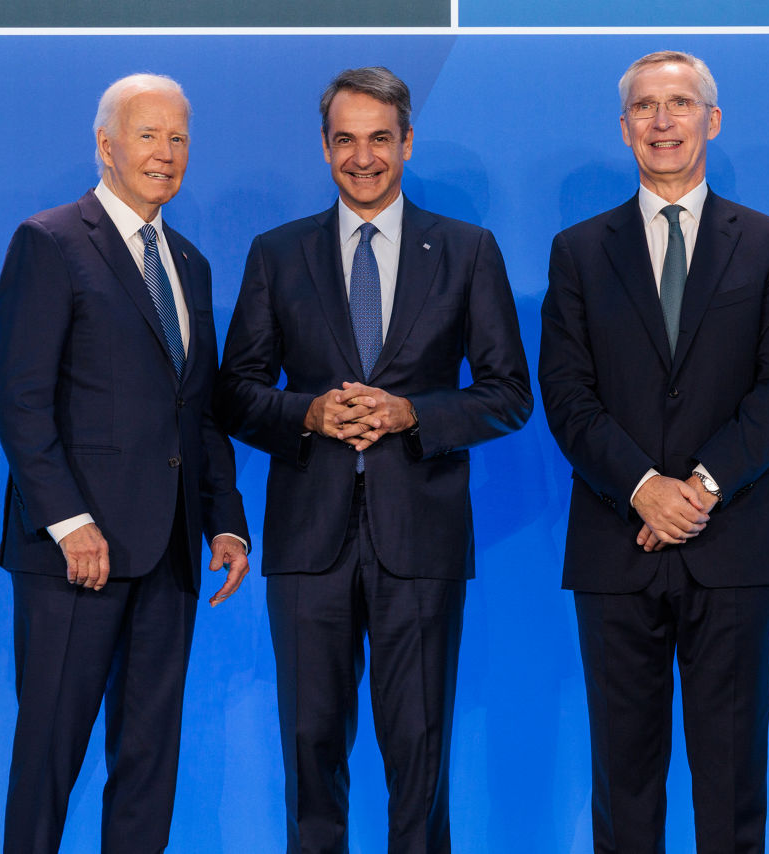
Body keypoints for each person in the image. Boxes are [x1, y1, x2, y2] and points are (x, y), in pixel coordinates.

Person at [217, 66, 531, 853]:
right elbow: (235, 393)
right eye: (347, 140)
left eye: (380, 139)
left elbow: (508, 394)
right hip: (308, 542)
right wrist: (311, 413)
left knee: (419, 755)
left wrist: (412, 412)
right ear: (325, 149)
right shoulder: (276, 254)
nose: (364, 157)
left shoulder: (466, 251)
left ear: (407, 143)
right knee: (309, 750)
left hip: (419, 538)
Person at [539, 51, 769, 853]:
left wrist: (696, 488)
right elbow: (567, 396)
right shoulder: (579, 251)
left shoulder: (768, 244)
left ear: (711, 121)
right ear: (625, 129)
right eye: (647, 108)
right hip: (615, 547)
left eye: (680, 104)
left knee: (731, 788)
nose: (663, 121)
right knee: (623, 788)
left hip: (734, 545)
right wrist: (642, 489)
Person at [0, 72, 251, 854]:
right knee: (48, 762)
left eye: (178, 138)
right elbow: (19, 401)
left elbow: (194, 408)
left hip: (169, 554)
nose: (165, 153)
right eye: (148, 135)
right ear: (105, 145)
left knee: (148, 764)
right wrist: (70, 523)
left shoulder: (191, 264)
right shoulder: (51, 241)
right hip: (75, 558)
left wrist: (226, 524)